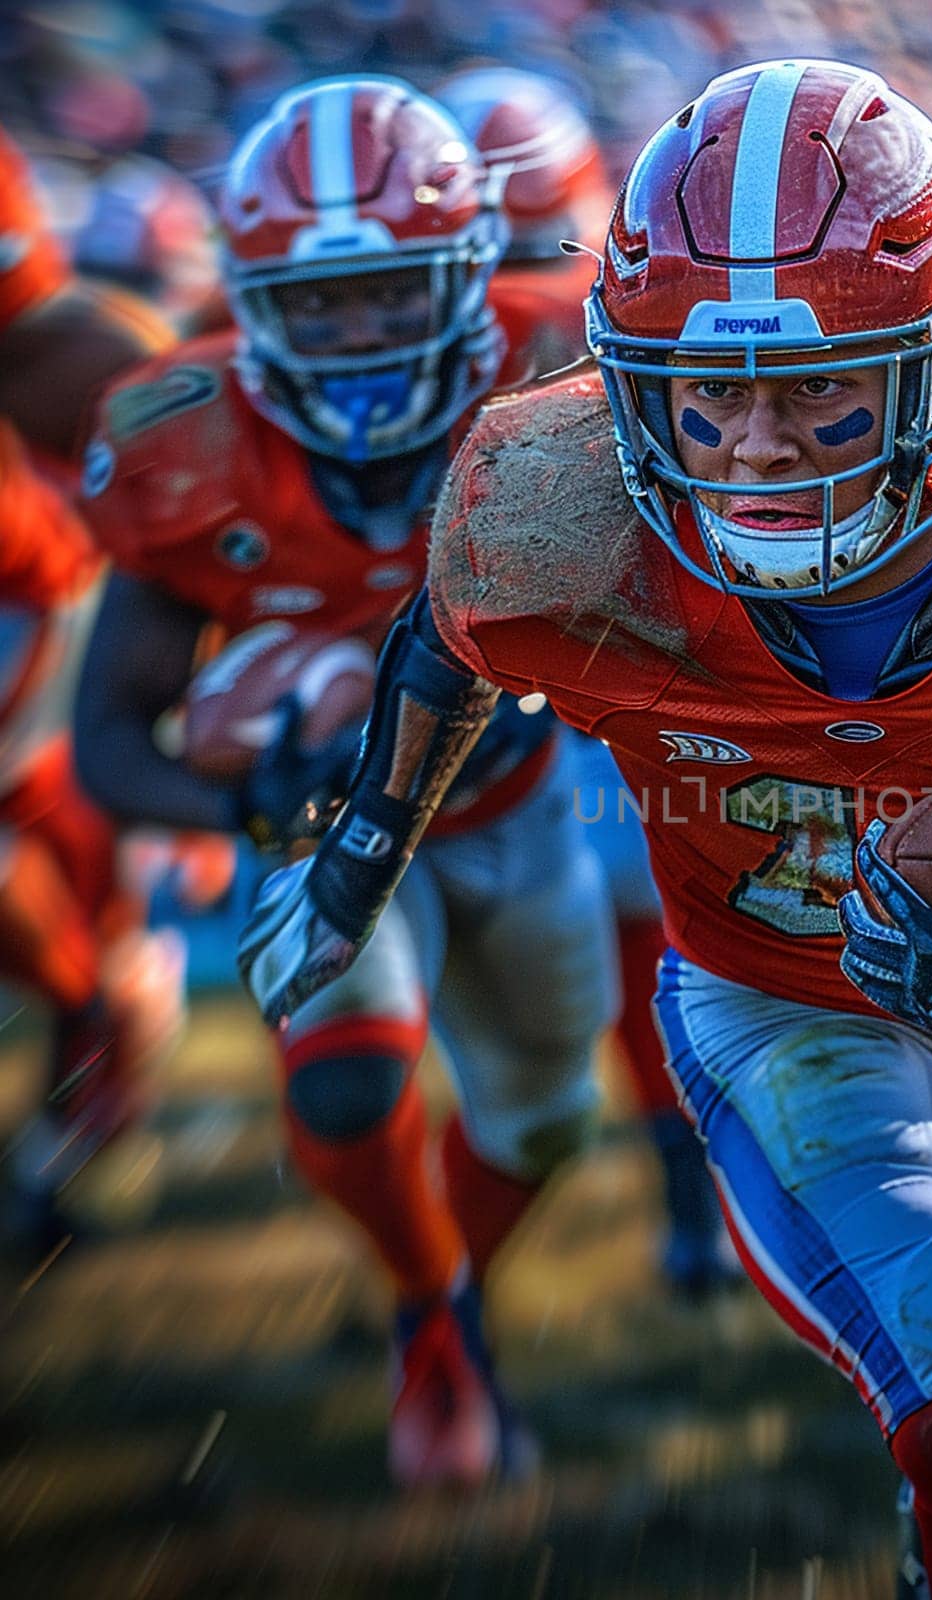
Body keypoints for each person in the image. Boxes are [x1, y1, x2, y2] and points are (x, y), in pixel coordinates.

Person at [238, 59, 932, 1597]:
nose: (750, 446)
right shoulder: (556, 508)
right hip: (776, 998)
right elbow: (452, 634)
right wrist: (363, 845)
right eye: (707, 388)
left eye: (822, 386)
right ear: (627, 375)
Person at [73, 76, 618, 1488]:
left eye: (385, 290)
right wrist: (259, 807)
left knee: (546, 1115)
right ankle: (440, 1323)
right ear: (253, 300)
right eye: (319, 304)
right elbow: (112, 742)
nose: (356, 330)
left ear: (463, 273)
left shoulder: (569, 367)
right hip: (317, 830)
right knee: (341, 1086)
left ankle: (430, 1287)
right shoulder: (183, 435)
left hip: (522, 812)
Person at [439, 63, 736, 1298]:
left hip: (614, 662)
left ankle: (689, 1184)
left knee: (654, 914)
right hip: (504, 662)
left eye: (522, 254)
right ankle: (679, 1188)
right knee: (623, 927)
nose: (503, 293)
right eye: (475, 258)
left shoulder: (605, 306)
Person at [0, 123, 183, 1245]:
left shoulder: (84, 359)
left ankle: (88, 1059)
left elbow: (60, 340)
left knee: (74, 880)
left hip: (39, 603)